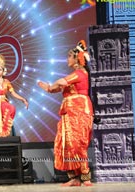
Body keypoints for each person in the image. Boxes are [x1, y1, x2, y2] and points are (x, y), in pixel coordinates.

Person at [38, 40, 94, 186]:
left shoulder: (80, 73)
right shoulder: (74, 75)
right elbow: (60, 87)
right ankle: (74, 178)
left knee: (78, 143)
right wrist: (49, 89)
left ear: (77, 59)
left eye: (69, 56)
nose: (67, 59)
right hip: (69, 113)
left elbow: (62, 82)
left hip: (79, 111)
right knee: (66, 143)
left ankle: (85, 177)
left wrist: (51, 86)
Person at [0, 54, 29, 138]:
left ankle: (4, 131)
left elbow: (13, 93)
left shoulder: (6, 82)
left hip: (3, 102)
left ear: (3, 71)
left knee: (11, 108)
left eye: (0, 70)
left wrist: (23, 99)